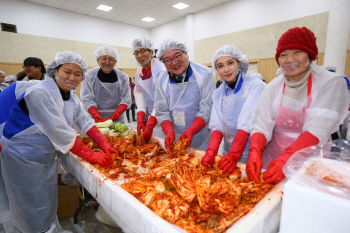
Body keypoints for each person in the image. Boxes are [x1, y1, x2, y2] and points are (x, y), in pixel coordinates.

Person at [0, 51, 116, 232]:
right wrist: (93, 155)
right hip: (23, 156)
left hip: (43, 153)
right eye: (67, 72)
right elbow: (60, 131)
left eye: (78, 74)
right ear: (55, 71)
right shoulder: (39, 93)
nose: (72, 78)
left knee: (46, 198)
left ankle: (49, 228)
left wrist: (105, 144)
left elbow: (84, 121)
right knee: (32, 202)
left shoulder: (69, 95)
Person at [247, 27, 349, 184]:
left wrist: (286, 160)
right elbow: (261, 123)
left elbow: (316, 129)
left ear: (310, 55)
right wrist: (255, 150)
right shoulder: (274, 86)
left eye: (297, 52)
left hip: (309, 162)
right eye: (283, 54)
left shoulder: (330, 83)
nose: (289, 59)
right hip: (273, 159)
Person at [201, 45, 266, 172]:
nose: (226, 69)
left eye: (230, 63)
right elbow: (217, 125)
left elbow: (246, 123)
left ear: (239, 63)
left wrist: (234, 154)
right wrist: (211, 152)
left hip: (253, 149)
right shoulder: (218, 93)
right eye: (220, 66)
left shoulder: (255, 86)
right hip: (229, 148)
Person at [155, 38, 215, 150]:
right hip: (174, 134)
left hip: (200, 136)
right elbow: (161, 111)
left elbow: (206, 110)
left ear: (186, 53)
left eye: (177, 56)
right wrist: (168, 131)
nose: (174, 62)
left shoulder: (204, 74)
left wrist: (191, 130)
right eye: (167, 60)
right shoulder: (161, 80)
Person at [0, 80, 39, 232]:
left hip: (14, 144)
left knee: (14, 192)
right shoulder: (28, 91)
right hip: (9, 143)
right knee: (7, 192)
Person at [81, 45, 131, 123]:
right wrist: (94, 113)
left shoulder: (123, 77)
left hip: (118, 120)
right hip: (95, 120)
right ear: (98, 60)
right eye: (104, 59)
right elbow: (86, 98)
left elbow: (126, 99)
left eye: (110, 59)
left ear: (115, 62)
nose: (107, 62)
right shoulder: (89, 76)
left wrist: (119, 111)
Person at [132, 37, 166, 139]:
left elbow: (163, 100)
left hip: (166, 119)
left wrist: (150, 123)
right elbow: (139, 95)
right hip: (153, 117)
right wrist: (141, 118)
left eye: (143, 51)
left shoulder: (161, 71)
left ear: (151, 52)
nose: (139, 56)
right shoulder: (139, 73)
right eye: (136, 53)